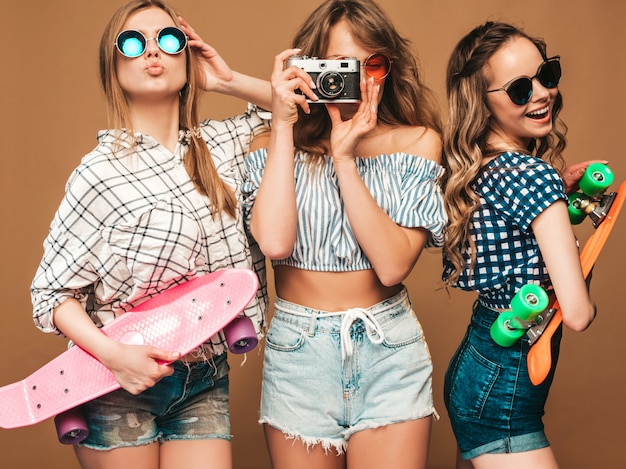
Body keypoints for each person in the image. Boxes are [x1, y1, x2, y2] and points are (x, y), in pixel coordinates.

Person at [30, 1, 271, 468]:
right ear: (114, 65)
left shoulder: (222, 147)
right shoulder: (98, 174)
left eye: (168, 39)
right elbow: (51, 295)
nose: (152, 52)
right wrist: (115, 356)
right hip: (113, 381)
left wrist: (224, 81)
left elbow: (299, 112)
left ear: (187, 54)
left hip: (203, 377)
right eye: (133, 43)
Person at [242, 1, 446, 467]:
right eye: (340, 64)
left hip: (387, 349)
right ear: (309, 66)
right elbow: (275, 244)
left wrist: (345, 158)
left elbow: (393, 266)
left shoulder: (416, 141)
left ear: (390, 68)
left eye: (373, 64)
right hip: (298, 353)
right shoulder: (273, 143)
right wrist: (280, 123)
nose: (361, 79)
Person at [440, 21, 597, 468]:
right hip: (504, 389)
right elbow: (578, 312)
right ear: (481, 103)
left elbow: (513, 239)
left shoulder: (483, 168)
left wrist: (555, 200)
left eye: (546, 75)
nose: (543, 93)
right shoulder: (534, 176)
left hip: (476, 366)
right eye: (520, 89)